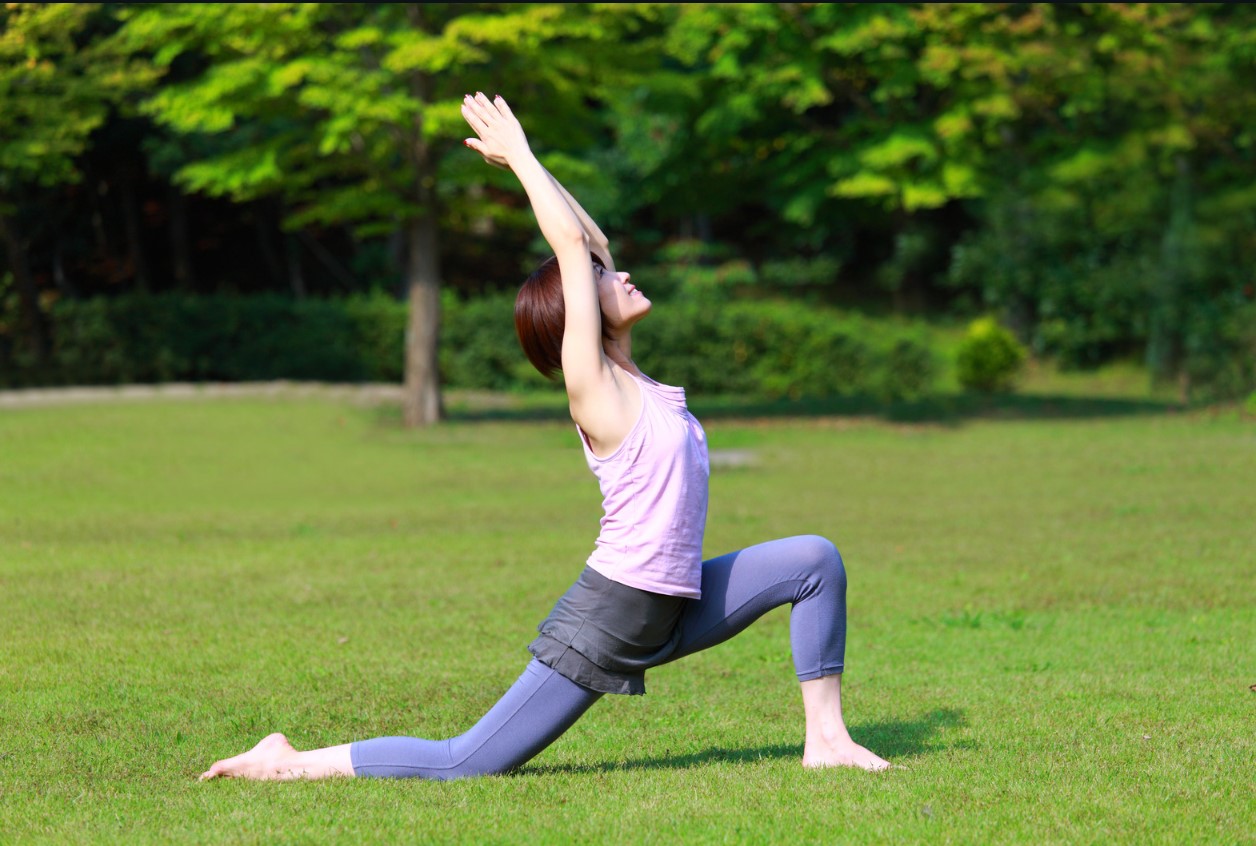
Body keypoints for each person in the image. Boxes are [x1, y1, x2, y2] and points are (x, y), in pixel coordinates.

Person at [199, 93, 889, 781]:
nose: (618, 273)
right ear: (580, 313)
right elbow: (568, 247)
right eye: (600, 282)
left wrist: (525, 165)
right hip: (615, 613)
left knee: (814, 561)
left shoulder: (638, 384)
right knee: (464, 763)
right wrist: (523, 157)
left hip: (673, 602)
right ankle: (286, 762)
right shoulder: (593, 389)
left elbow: (588, 240)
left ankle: (826, 740)